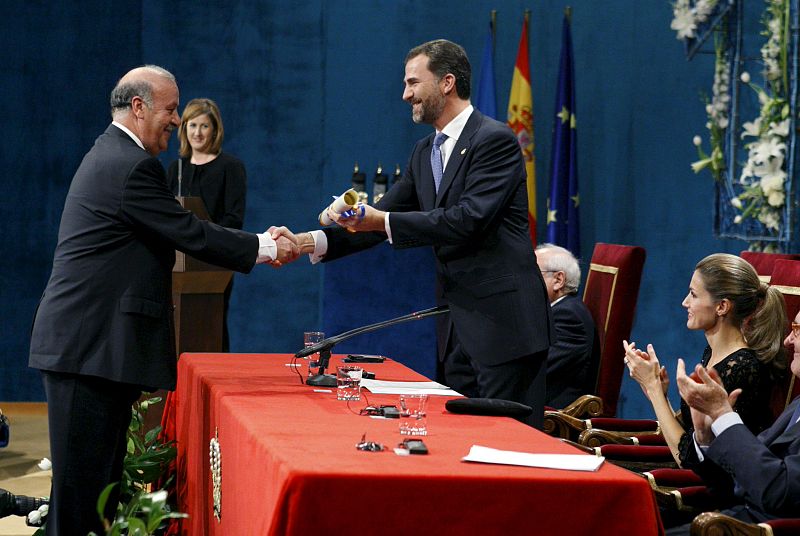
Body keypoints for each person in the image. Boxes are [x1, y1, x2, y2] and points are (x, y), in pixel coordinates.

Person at [28, 65, 297, 535]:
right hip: (87, 353)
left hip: (91, 352)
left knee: (95, 503)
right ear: (139, 108)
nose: (177, 121)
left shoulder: (113, 155)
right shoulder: (132, 165)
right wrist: (267, 247)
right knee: (77, 512)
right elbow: (188, 231)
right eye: (171, 110)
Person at [278, 39, 553, 428]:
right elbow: (382, 216)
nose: (405, 95)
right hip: (457, 332)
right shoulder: (425, 151)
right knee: (460, 447)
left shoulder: (494, 141)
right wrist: (309, 241)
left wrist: (379, 220)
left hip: (504, 331)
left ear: (446, 83)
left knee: (507, 452)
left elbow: (466, 220)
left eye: (412, 83)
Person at [624, 253, 786, 470]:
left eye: (693, 294)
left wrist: (654, 389)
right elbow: (692, 436)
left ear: (722, 307)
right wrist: (655, 390)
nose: (685, 302)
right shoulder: (713, 352)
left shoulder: (743, 368)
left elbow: (690, 461)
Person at [664, 309, 800, 534]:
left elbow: (778, 492)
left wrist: (723, 416)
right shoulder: (797, 404)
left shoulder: (745, 366)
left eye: (796, 330)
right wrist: (706, 435)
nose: (787, 340)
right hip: (733, 518)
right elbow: (731, 483)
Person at [167, 98, 247, 350]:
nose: (197, 133)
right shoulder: (175, 169)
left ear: (215, 130)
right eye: (192, 125)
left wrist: (208, 242)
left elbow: (233, 218)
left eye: (204, 126)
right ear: (184, 129)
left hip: (215, 263)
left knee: (210, 324)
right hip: (176, 264)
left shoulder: (231, 167)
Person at [534, 244, 599, 408]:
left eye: (532, 272)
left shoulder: (569, 317)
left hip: (552, 416)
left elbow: (536, 370)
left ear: (558, 280)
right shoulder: (557, 310)